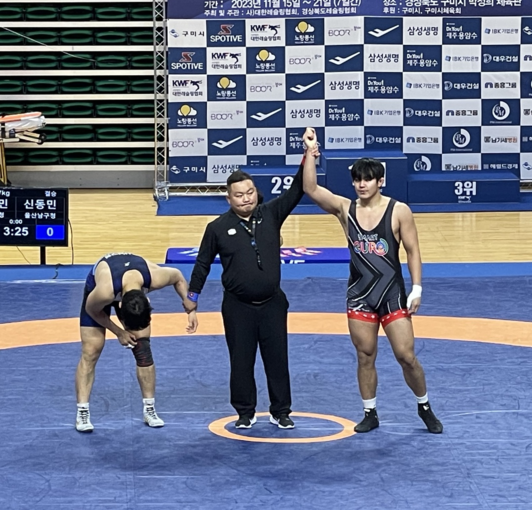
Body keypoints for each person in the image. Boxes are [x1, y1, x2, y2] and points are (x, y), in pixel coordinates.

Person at [301, 127, 443, 434]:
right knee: (365, 356)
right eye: (357, 180)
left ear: (381, 181)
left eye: (368, 179)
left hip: (392, 295)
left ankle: (424, 406)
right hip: (360, 295)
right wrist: (310, 152)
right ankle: (370, 413)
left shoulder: (398, 211)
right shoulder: (345, 209)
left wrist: (417, 288)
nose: (362, 185)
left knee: (406, 356)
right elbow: (310, 188)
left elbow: (413, 251)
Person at [182, 162, 305, 430]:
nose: (246, 198)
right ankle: (245, 412)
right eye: (239, 195)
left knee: (277, 359)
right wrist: (192, 298)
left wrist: (308, 156)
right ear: (229, 199)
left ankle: (281, 411)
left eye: (250, 192)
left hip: (272, 304)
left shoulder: (271, 213)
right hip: (238, 307)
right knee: (241, 361)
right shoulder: (217, 228)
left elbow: (297, 189)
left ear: (256, 192)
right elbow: (202, 263)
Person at [76, 252, 198, 432]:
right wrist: (119, 332)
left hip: (127, 286)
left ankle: (149, 409)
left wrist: (190, 309)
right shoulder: (104, 291)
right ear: (120, 308)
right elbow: (92, 310)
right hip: (98, 290)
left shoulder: (156, 277)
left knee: (143, 348)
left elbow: (178, 277)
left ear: (147, 300)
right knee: (91, 350)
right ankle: (82, 411)